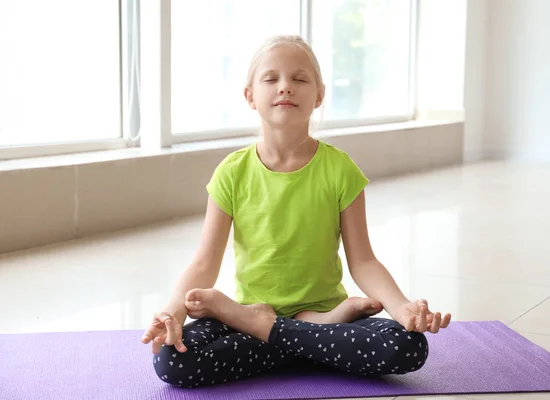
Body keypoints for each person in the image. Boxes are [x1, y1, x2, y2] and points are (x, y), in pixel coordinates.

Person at [141, 35, 451, 388]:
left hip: (298, 317)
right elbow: (203, 263)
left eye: (299, 79)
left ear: (318, 96)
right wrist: (172, 312)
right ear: (250, 96)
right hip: (260, 316)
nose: (285, 87)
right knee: (172, 360)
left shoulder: (340, 170)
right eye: (271, 79)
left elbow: (363, 261)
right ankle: (310, 337)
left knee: (407, 346)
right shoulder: (231, 172)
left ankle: (277, 328)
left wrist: (402, 307)